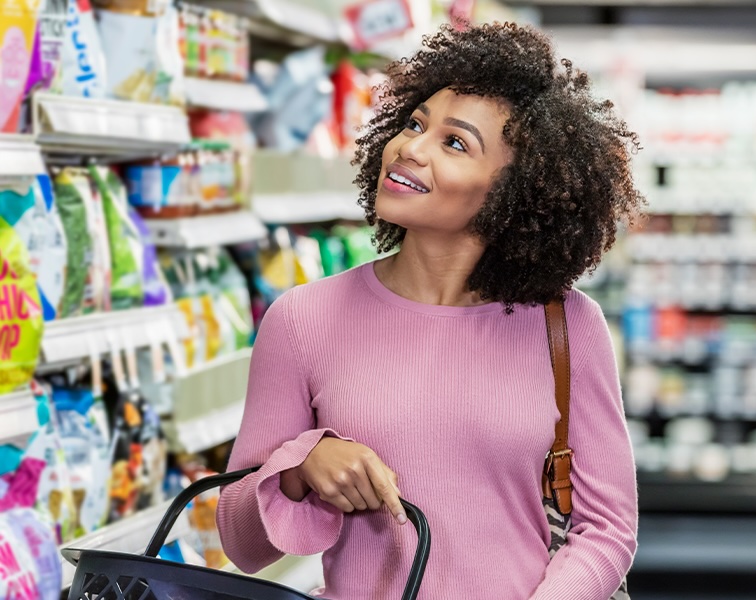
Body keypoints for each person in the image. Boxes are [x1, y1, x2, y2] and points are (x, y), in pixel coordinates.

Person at [216, 21, 643, 599]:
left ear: (516, 190)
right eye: (415, 123)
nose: (409, 148)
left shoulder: (565, 325)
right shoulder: (302, 319)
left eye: (455, 142)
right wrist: (300, 468)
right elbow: (242, 542)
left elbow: (607, 530)